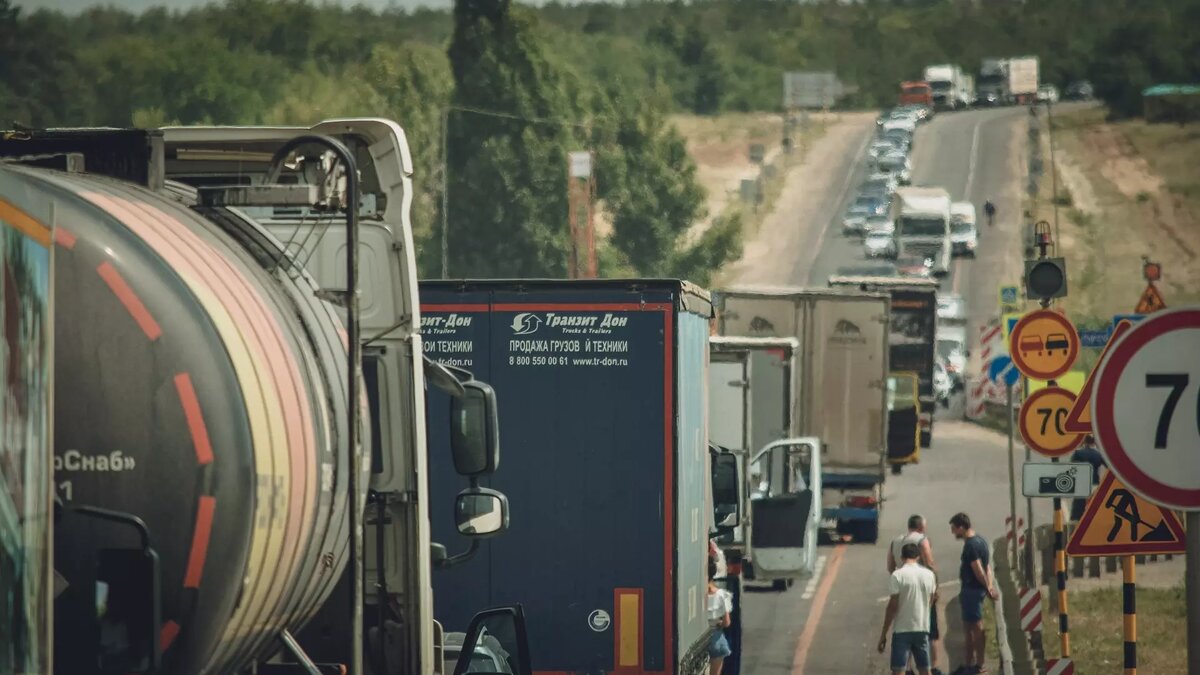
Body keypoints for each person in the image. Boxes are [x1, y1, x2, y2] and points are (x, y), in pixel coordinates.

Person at [887, 515, 945, 675]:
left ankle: (907, 667)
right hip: (922, 590)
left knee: (905, 631)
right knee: (930, 632)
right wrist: (935, 588)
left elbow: (890, 566)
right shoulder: (922, 540)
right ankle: (933, 667)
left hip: (902, 589)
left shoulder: (896, 541)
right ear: (920, 527)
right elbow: (930, 564)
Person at [949, 513, 998, 675]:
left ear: (961, 527)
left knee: (974, 628)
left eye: (954, 529)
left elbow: (978, 569)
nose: (953, 533)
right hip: (977, 591)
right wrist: (989, 586)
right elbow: (987, 567)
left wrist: (987, 588)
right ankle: (970, 664)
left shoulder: (970, 546)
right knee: (970, 627)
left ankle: (978, 665)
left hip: (971, 590)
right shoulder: (981, 541)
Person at [878, 543, 937, 675]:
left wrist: (883, 634)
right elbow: (931, 601)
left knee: (899, 670)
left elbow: (892, 607)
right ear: (918, 556)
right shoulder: (929, 575)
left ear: (902, 557)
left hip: (902, 630)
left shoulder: (897, 575)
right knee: (925, 670)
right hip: (922, 628)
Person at [707, 557, 733, 675]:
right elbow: (727, 622)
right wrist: (719, 623)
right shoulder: (721, 595)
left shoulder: (697, 594)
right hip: (716, 638)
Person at [1069, 441, 1107, 521]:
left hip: (1082, 484)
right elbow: (1109, 468)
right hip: (1095, 483)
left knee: (1077, 510)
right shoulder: (1098, 454)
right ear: (1094, 443)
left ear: (1083, 443)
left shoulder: (1078, 453)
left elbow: (1071, 468)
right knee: (1094, 506)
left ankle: (1075, 524)